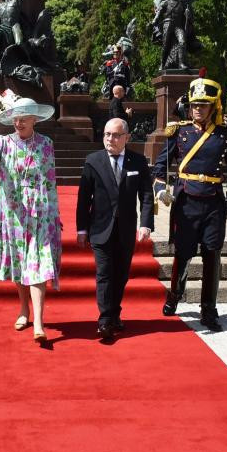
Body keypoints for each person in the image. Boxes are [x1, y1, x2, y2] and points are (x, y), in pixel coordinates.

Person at [0, 96, 61, 343]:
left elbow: (50, 180)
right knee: (20, 263)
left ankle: (39, 323)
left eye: (23, 119)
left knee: (38, 265)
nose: (18, 123)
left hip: (39, 214)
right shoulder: (4, 142)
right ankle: (23, 309)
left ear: (35, 119)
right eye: (15, 118)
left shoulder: (46, 144)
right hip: (13, 213)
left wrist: (54, 214)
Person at [153, 77, 227, 331]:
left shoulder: (226, 134)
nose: (198, 109)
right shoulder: (178, 132)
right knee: (183, 253)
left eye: (203, 105)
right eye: (194, 105)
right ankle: (175, 295)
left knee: (212, 255)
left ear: (214, 107)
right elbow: (161, 165)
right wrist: (161, 189)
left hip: (214, 202)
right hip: (186, 201)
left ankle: (209, 309)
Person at [76, 118, 154, 341]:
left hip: (126, 230)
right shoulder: (93, 161)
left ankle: (115, 313)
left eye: (116, 135)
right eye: (107, 134)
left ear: (127, 138)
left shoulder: (138, 162)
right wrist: (82, 229)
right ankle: (105, 320)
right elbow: (84, 199)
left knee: (120, 275)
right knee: (104, 274)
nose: (111, 139)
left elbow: (146, 196)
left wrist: (146, 224)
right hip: (100, 229)